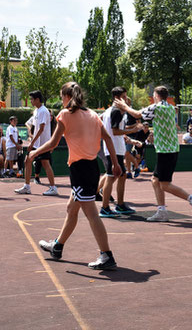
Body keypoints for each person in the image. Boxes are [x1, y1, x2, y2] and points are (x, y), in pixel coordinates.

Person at [37, 82, 120, 270]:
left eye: (61, 97)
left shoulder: (65, 115)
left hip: (80, 170)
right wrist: (114, 163)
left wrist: (33, 153)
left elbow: (52, 143)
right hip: (91, 167)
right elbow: (107, 138)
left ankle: (106, 255)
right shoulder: (92, 115)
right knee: (71, 208)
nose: (61, 101)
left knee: (91, 214)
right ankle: (57, 246)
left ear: (67, 97)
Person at [114, 85, 192, 222]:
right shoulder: (169, 107)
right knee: (155, 180)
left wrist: (123, 105)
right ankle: (162, 210)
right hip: (170, 149)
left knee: (164, 184)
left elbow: (137, 114)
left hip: (166, 151)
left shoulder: (157, 107)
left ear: (156, 96)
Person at [99, 86, 141, 217]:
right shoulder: (116, 111)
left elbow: (117, 129)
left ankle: (120, 205)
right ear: (117, 98)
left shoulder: (112, 111)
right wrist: (132, 131)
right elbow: (115, 131)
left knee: (121, 175)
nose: (126, 99)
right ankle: (105, 208)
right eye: (124, 96)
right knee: (111, 177)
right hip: (113, 149)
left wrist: (130, 133)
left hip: (116, 148)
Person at [15, 90, 58, 196]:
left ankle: (53, 188)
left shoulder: (44, 111)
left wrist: (32, 142)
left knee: (45, 163)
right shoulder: (36, 111)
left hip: (43, 143)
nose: (31, 101)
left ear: (37, 99)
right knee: (27, 161)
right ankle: (27, 187)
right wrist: (31, 138)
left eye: (32, 99)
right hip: (36, 144)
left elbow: (42, 128)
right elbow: (34, 127)